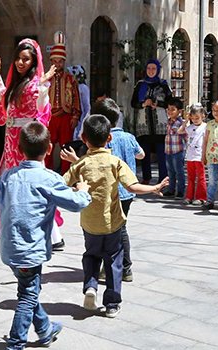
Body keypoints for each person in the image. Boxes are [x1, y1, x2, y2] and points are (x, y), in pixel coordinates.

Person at [0, 122, 91, 350]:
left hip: (10, 249)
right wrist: (83, 191)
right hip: (31, 251)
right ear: (49, 149)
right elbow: (76, 204)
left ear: (18, 148)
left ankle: (45, 329)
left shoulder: (9, 175)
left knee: (28, 290)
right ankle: (16, 343)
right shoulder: (50, 178)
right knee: (27, 295)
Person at [62, 115, 168, 318]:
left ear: (84, 138)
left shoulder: (80, 164)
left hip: (89, 223)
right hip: (113, 223)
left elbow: (61, 184)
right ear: (109, 138)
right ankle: (111, 304)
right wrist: (154, 187)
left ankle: (91, 286)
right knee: (113, 261)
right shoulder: (115, 162)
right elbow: (132, 186)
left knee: (91, 255)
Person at [0, 38, 57, 243]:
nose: (20, 63)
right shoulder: (17, 84)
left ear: (33, 62)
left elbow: (42, 110)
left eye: (26, 59)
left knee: (26, 184)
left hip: (25, 142)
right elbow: (4, 101)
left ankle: (49, 234)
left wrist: (43, 86)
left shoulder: (36, 84)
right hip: (10, 141)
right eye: (18, 59)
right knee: (5, 181)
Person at [63, 98, 145, 283]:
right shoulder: (128, 137)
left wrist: (76, 161)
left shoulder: (102, 140)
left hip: (111, 193)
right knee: (120, 229)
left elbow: (93, 165)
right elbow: (141, 154)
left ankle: (119, 267)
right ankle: (123, 268)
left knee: (112, 231)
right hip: (128, 192)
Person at [131, 58, 172, 185]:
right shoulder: (140, 85)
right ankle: (146, 177)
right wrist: (143, 104)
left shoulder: (163, 84)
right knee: (145, 152)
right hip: (144, 125)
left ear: (158, 70)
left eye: (154, 68)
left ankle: (163, 179)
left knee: (161, 153)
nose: (151, 71)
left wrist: (157, 103)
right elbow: (133, 103)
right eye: (149, 68)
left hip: (160, 125)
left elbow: (170, 103)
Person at [45, 33, 81, 174]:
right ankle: (47, 172)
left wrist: (75, 116)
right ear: (51, 61)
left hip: (66, 117)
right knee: (48, 146)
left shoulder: (70, 79)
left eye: (60, 61)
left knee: (66, 147)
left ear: (64, 62)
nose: (57, 64)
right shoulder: (46, 78)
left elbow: (76, 98)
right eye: (55, 61)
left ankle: (66, 174)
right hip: (50, 117)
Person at [178, 103, 208, 205]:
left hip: (200, 155)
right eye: (193, 117)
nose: (195, 120)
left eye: (197, 117)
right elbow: (180, 131)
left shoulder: (205, 127)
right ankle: (189, 196)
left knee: (201, 177)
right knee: (190, 177)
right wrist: (186, 120)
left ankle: (201, 197)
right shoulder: (190, 127)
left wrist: (205, 156)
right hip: (190, 156)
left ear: (203, 116)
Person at [163, 97, 186, 198]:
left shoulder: (181, 123)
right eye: (168, 109)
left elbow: (185, 136)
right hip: (168, 150)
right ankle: (171, 189)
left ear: (179, 111)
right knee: (170, 171)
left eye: (173, 109)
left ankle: (180, 190)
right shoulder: (168, 121)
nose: (170, 111)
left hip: (178, 151)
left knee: (179, 171)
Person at [67, 64, 91, 149]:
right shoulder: (70, 87)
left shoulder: (83, 88)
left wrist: (83, 125)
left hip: (80, 121)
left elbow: (86, 107)